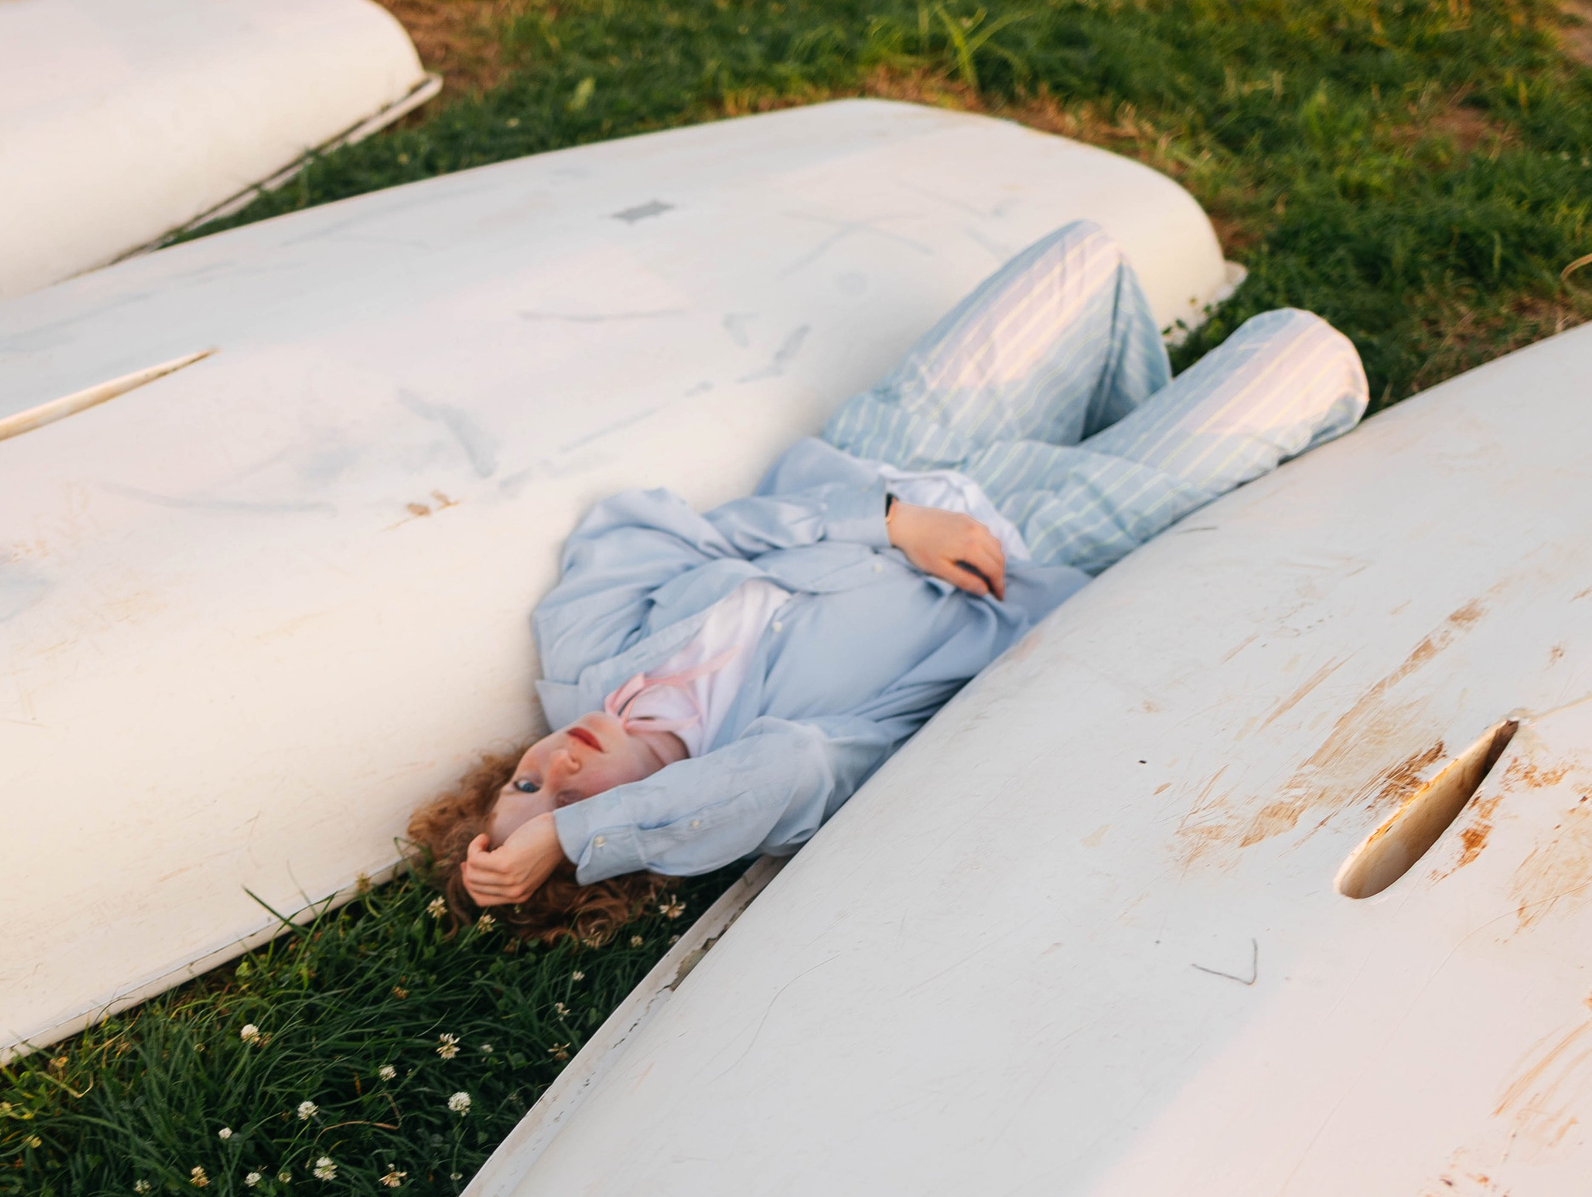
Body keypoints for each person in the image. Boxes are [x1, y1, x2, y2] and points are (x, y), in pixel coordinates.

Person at [408, 219, 1368, 936]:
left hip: (887, 459)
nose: (562, 763)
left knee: (1088, 258)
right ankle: (1139, 452)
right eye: (575, 799)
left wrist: (887, 519)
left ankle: (1129, 423)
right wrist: (572, 843)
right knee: (1306, 350)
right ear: (631, 832)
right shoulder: (767, 781)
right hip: (1039, 540)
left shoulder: (589, 656)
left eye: (529, 778)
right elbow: (784, 767)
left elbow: (644, 517)